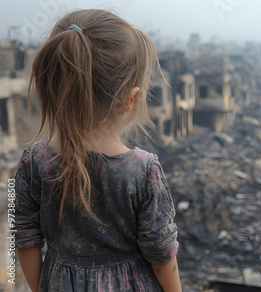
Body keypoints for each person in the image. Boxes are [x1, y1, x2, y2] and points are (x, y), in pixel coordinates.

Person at [13, 9, 182, 292]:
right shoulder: (143, 173)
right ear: (131, 99)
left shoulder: (34, 163)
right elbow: (162, 255)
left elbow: (23, 237)